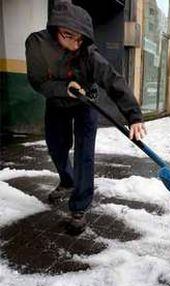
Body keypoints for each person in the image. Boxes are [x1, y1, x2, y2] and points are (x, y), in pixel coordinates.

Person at [25, 2, 146, 234]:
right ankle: (67, 180)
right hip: (57, 101)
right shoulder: (37, 43)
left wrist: (134, 116)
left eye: (80, 39)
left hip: (85, 103)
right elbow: (37, 81)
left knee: (84, 154)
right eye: (69, 36)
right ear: (56, 29)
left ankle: (79, 206)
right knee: (56, 146)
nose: (75, 44)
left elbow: (113, 81)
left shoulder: (89, 54)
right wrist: (63, 88)